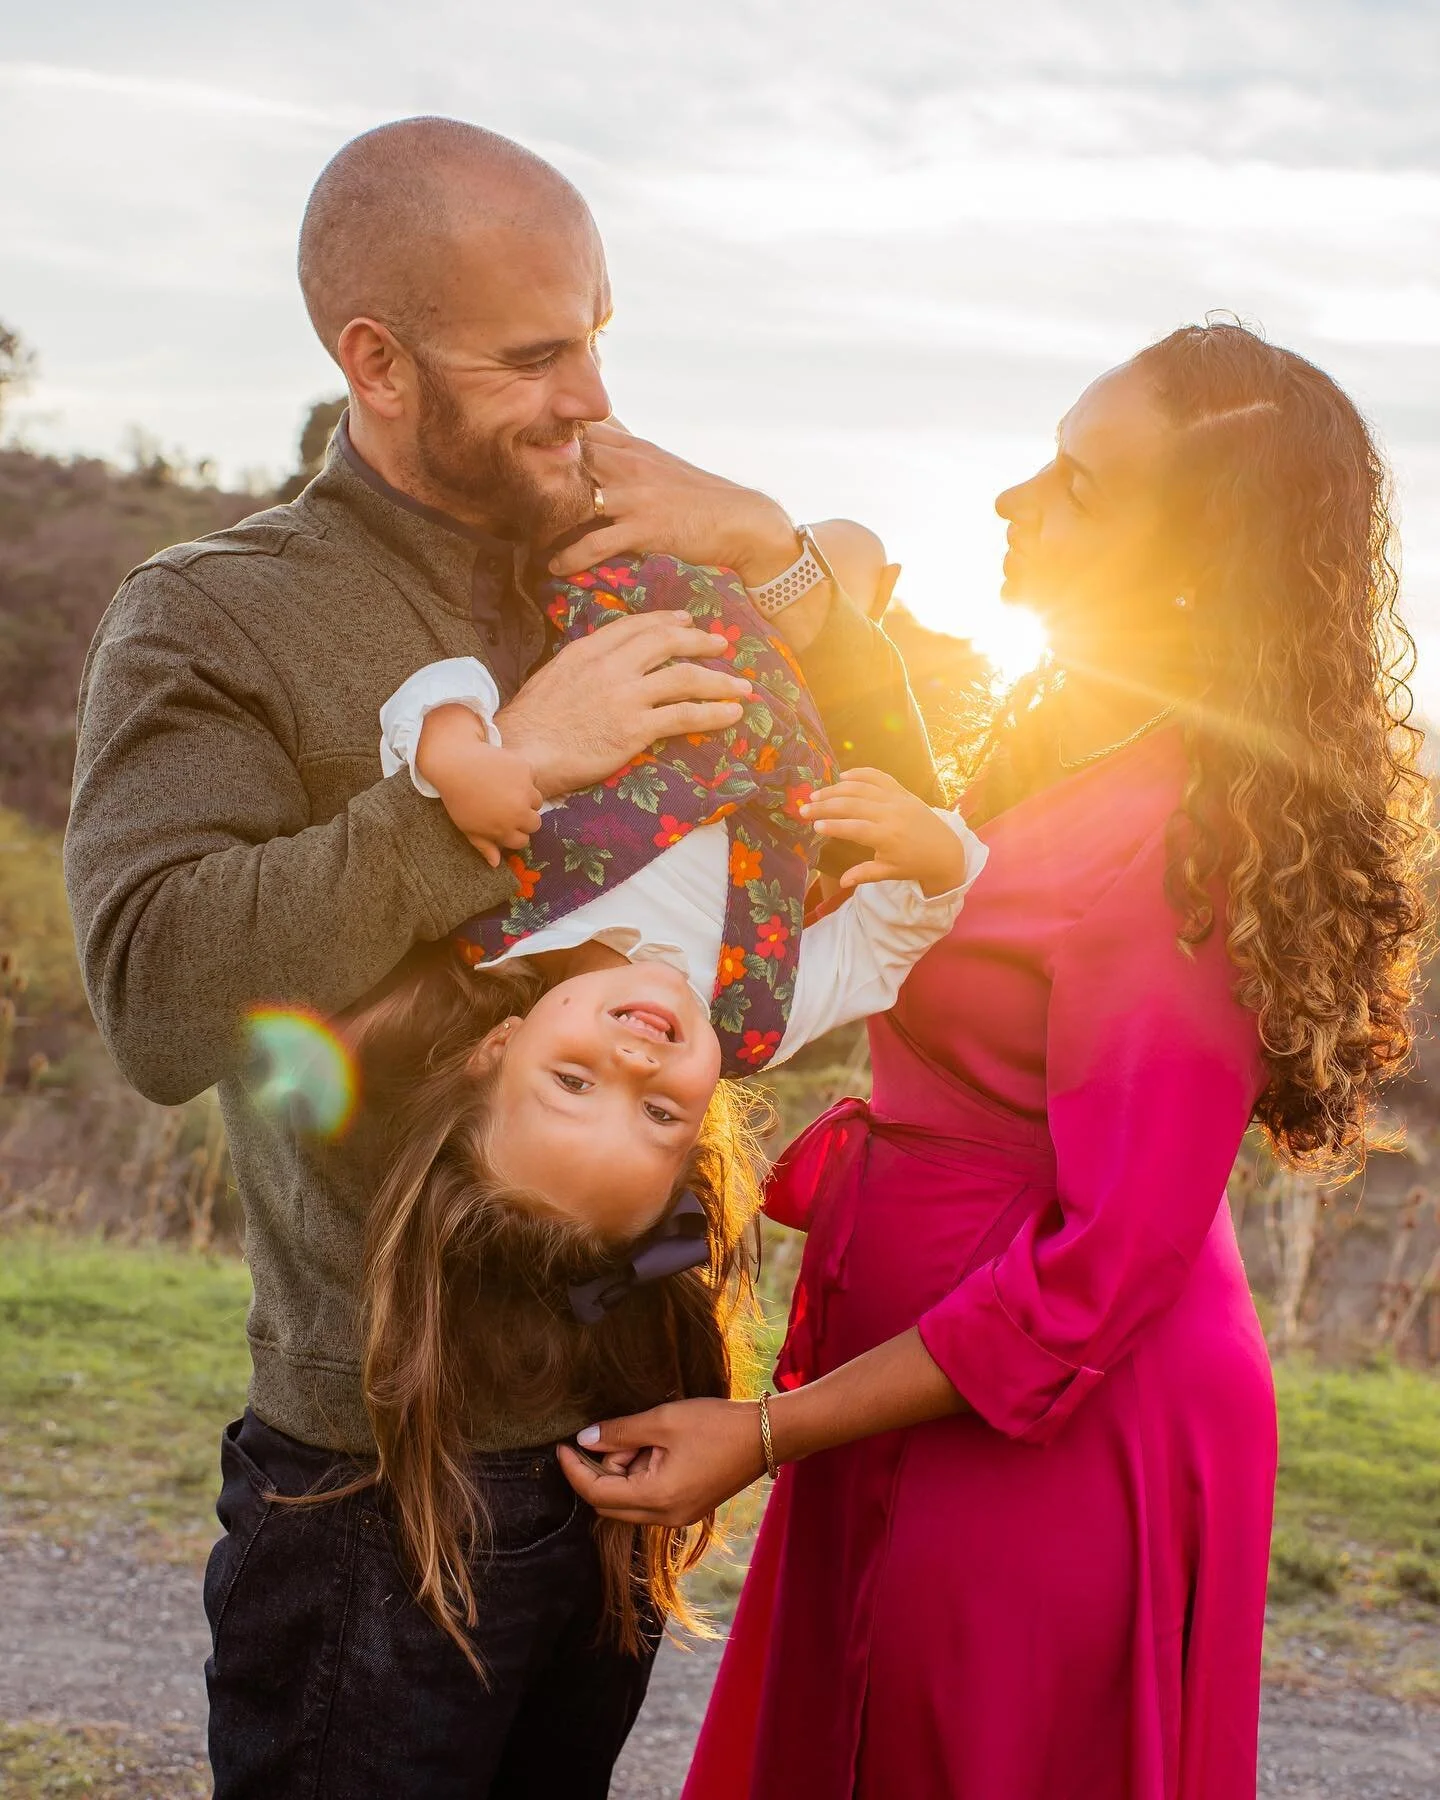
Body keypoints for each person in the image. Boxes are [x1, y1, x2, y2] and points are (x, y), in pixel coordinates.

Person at [62, 117, 937, 1799]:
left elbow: (871, 829)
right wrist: (499, 782)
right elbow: (160, 997)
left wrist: (785, 570)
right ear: (373, 363)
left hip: (631, 1439)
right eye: (536, 353)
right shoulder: (218, 613)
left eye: (600, 330)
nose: (594, 395)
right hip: (385, 1482)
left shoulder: (649, 565)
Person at [560, 321, 1433, 1800]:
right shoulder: (1072, 725)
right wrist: (778, 559)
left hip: (1061, 1431)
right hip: (916, 1380)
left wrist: (764, 1432)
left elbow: (1103, 1265)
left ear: (1192, 555)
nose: (1016, 499)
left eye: (1080, 481)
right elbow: (907, 819)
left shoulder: (1188, 848)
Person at [341, 543, 982, 1696]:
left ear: (499, 1046)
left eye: (572, 1082)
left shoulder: (491, 905)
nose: (635, 1059)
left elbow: (439, 684)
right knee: (851, 549)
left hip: (630, 576)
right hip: (787, 658)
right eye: (655, 1114)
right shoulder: (757, 1015)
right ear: (699, 1131)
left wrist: (458, 755)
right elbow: (898, 934)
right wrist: (938, 855)